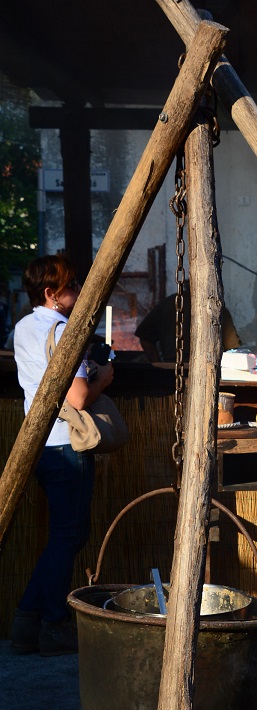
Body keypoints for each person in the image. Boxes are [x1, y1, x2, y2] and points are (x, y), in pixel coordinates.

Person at [11, 255, 114, 656]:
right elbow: (78, 396)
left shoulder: (23, 327)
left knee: (63, 535)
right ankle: (51, 622)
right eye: (71, 285)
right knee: (69, 535)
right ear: (52, 293)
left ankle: (26, 625)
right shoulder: (62, 328)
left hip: (40, 444)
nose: (78, 291)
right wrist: (103, 378)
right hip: (65, 443)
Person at [135, 282, 242, 362]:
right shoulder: (216, 308)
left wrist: (158, 364)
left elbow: (145, 337)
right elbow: (232, 348)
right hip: (205, 368)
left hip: (172, 368)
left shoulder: (170, 303)